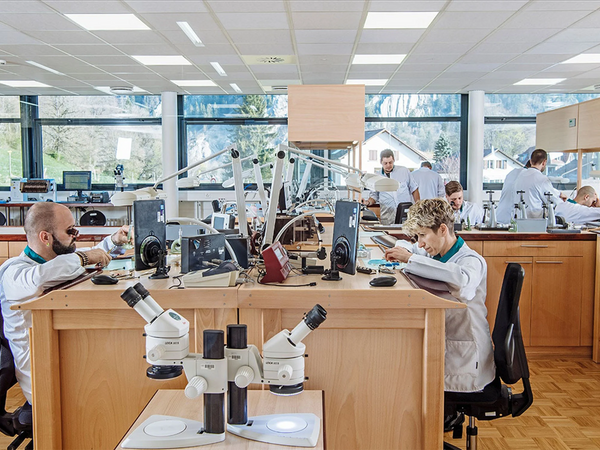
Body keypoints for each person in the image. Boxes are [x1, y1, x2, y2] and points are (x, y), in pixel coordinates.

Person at [0, 202, 131, 422]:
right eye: (70, 231)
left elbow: (80, 257)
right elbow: (42, 277)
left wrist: (113, 241)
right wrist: (87, 257)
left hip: (64, 358)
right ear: (45, 237)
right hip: (42, 377)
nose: (76, 235)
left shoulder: (54, 261)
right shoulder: (14, 272)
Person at [383, 199, 495, 393]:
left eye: (423, 235)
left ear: (442, 229)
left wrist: (410, 258)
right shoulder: (433, 252)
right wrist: (409, 251)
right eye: (417, 236)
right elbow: (408, 245)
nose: (420, 243)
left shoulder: (471, 260)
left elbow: (463, 283)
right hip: (444, 346)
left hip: (465, 361)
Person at [362, 149, 420, 225]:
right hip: (387, 215)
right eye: (385, 163)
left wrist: (418, 206)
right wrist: (367, 202)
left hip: (405, 214)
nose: (388, 165)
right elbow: (374, 196)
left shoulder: (404, 171)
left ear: (394, 160)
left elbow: (414, 189)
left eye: (390, 162)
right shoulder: (377, 176)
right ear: (380, 162)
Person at [513, 149, 566, 218]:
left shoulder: (520, 176)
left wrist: (558, 193)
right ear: (544, 162)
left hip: (519, 220)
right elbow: (554, 200)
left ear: (530, 161)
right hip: (536, 221)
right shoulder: (542, 179)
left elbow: (535, 188)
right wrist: (563, 201)